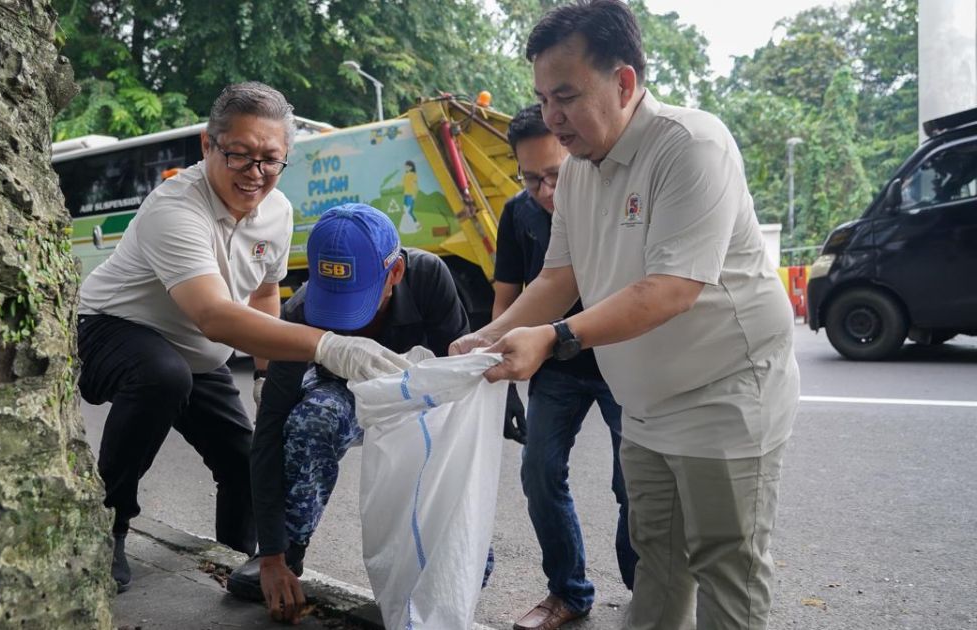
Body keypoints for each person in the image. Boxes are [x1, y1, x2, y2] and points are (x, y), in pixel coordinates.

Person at [451, 2, 800, 629]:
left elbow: (670, 289)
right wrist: (489, 335)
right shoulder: (580, 168)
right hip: (643, 404)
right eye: (541, 97)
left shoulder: (690, 146)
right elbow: (560, 277)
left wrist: (554, 340)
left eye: (566, 96)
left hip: (724, 396)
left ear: (624, 83)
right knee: (657, 562)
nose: (551, 117)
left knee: (727, 567)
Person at [77, 83, 411, 593]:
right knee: (161, 377)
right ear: (208, 147)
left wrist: (263, 373)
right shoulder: (175, 208)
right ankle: (107, 527)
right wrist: (329, 345)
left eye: (270, 161)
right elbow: (213, 314)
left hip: (194, 349)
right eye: (240, 156)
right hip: (112, 328)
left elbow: (263, 295)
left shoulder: (277, 212)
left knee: (246, 458)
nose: (255, 174)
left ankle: (240, 563)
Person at [224, 203, 469, 623]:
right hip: (342, 391)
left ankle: (449, 557)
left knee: (447, 448)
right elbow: (268, 431)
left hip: (417, 392)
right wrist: (272, 554)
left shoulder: (429, 276)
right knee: (310, 420)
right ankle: (291, 551)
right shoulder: (301, 309)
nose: (345, 318)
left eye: (356, 300)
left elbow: (460, 374)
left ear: (395, 272)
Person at [495, 103, 637, 630]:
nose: (545, 192)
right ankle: (568, 592)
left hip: (623, 359)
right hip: (554, 364)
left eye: (554, 175)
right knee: (539, 473)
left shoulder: (612, 199)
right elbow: (511, 296)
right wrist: (503, 369)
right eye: (531, 179)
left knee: (634, 484)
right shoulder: (519, 214)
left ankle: (644, 588)